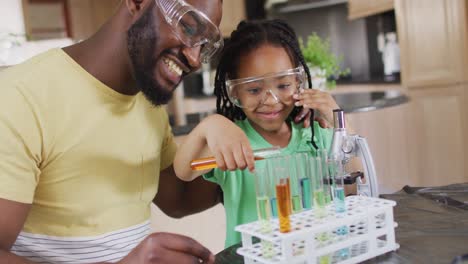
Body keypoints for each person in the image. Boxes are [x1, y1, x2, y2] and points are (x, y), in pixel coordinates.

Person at [0, 0, 249, 263]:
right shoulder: (19, 98)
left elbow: (178, 199)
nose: (195, 59)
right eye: (187, 28)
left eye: (204, 46)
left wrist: (263, 134)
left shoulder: (147, 102)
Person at [174, 19, 346, 248]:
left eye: (283, 86)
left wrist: (340, 123)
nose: (270, 101)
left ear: (298, 82)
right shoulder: (231, 142)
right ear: (234, 92)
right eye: (254, 90)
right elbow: (184, 170)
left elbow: (355, 181)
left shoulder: (316, 135)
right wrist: (210, 125)